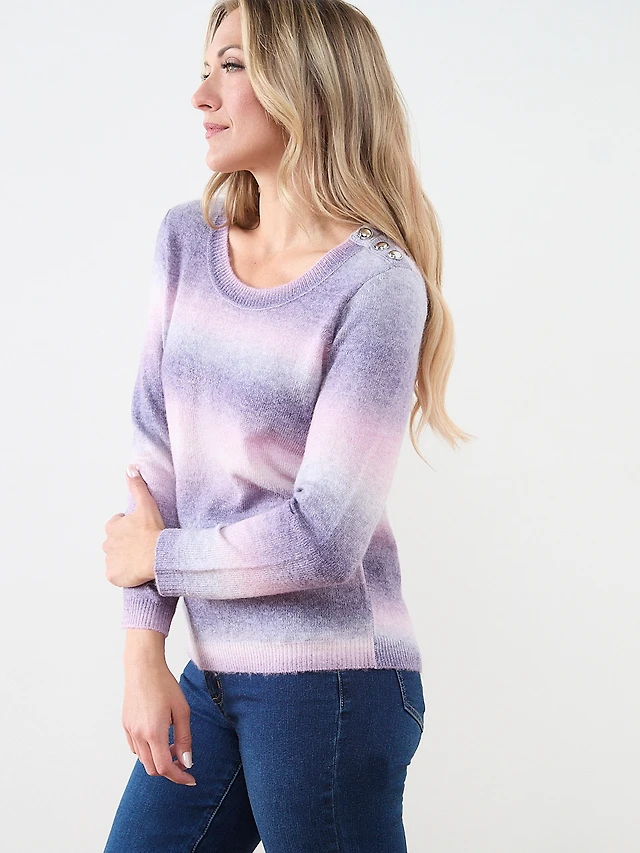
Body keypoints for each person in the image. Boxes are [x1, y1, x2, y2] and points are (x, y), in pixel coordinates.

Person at [102, 1, 472, 851]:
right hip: (213, 677)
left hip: (331, 685)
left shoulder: (375, 286)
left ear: (308, 84)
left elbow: (324, 538)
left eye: (232, 66)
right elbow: (152, 469)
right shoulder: (186, 242)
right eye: (205, 68)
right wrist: (142, 654)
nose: (202, 95)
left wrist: (158, 557)